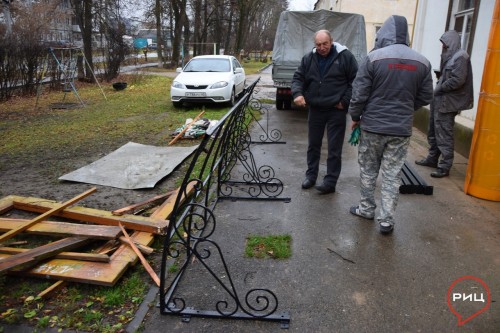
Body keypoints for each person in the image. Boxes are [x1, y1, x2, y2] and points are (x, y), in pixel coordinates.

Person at [348, 15, 433, 234]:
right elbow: (425, 97)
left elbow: (359, 94)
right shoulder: (422, 62)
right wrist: (405, 107)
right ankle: (386, 220)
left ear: (383, 34)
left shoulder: (373, 58)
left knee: (368, 171)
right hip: (400, 130)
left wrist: (355, 116)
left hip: (372, 127)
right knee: (393, 174)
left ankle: (366, 209)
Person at [291, 30, 358, 194]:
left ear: (332, 41)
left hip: (336, 110)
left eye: (325, 44)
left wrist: (344, 101)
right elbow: (298, 78)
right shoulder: (309, 58)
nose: (321, 48)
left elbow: (356, 81)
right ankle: (311, 176)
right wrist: (298, 93)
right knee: (313, 145)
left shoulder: (345, 57)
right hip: (316, 109)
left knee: (334, 148)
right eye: (318, 44)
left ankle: (330, 181)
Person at [415, 30, 474, 178]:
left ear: (451, 42)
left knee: (444, 134)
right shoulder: (451, 55)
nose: (442, 47)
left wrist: (440, 88)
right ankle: (432, 158)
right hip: (440, 100)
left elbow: (458, 80)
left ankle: (444, 166)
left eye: (444, 44)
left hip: (448, 103)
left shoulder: (460, 57)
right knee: (433, 131)